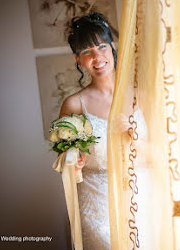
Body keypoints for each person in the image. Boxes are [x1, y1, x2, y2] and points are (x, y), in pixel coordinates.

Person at [58, 12, 116, 250]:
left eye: (102, 46)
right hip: (99, 210)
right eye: (87, 52)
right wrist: (73, 164)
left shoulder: (140, 95)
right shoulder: (73, 105)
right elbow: (64, 161)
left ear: (112, 47)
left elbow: (162, 152)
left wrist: (134, 140)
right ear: (78, 59)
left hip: (146, 196)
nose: (97, 56)